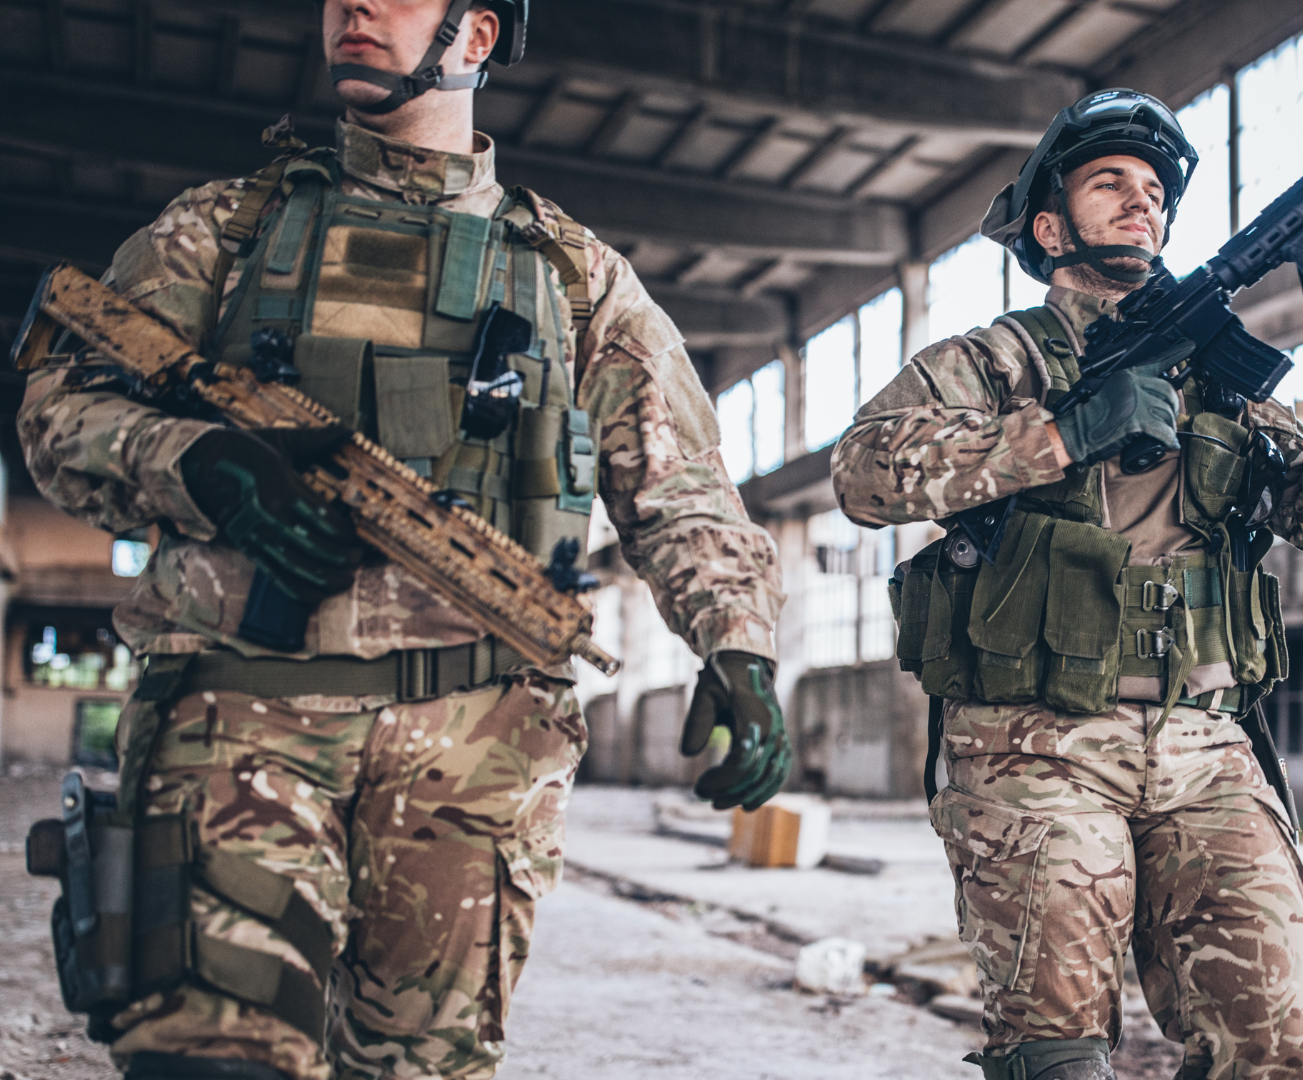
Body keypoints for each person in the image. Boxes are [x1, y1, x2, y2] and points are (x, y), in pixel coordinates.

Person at [17, 2, 790, 1077]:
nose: (353, 9)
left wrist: (738, 643)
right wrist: (195, 463)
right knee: (208, 1055)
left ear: (475, 36)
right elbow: (61, 408)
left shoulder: (573, 277)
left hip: (478, 751)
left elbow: (685, 491)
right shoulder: (225, 231)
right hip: (238, 714)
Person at [831, 89, 1303, 1080]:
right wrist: (1057, 435)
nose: (1142, 203)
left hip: (1208, 741)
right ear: (1050, 228)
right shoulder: (996, 360)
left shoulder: (1220, 374)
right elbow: (864, 474)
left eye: (1154, 191)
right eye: (1109, 184)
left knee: (1277, 1043)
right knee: (1060, 1059)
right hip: (1033, 741)